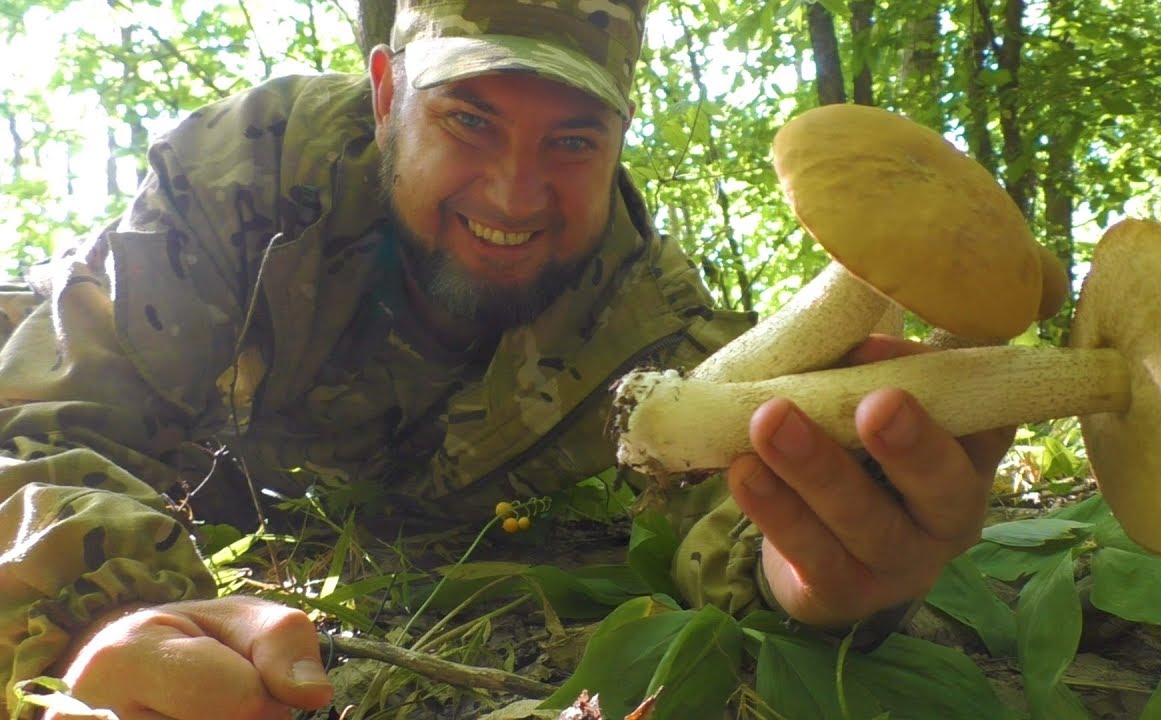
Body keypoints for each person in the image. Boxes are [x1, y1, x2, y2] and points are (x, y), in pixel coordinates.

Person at [0, 1, 1011, 718]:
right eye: (470, 119)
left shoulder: (644, 312)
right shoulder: (248, 179)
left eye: (572, 142)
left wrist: (814, 571)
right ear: (387, 90)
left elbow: (731, 508)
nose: (515, 194)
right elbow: (54, 413)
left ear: (619, 138)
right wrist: (116, 613)